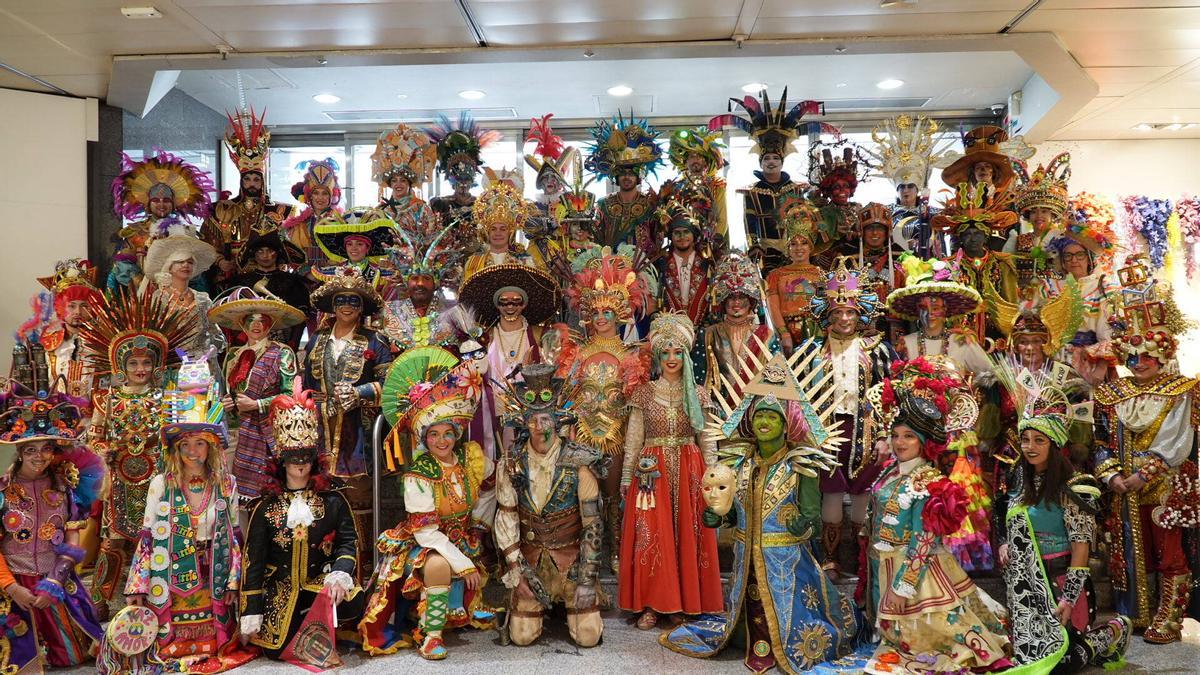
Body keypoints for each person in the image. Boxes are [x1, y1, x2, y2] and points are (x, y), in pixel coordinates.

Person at [663, 347, 861, 673]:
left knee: (789, 630)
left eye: (772, 417)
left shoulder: (800, 464)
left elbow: (812, 518)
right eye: (759, 416)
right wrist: (719, 517)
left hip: (786, 564)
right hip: (746, 564)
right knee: (745, 627)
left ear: (786, 424)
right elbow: (732, 512)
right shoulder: (739, 462)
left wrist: (801, 526)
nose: (764, 422)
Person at [860, 359, 1011, 674]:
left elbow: (923, 542)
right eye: (896, 435)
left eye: (909, 437)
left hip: (916, 577)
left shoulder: (929, 482)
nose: (900, 443)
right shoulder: (889, 473)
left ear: (924, 442)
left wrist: (903, 587)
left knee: (931, 642)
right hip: (884, 567)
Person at [993, 362, 1132, 672]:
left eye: (1039, 440)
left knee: (1062, 663)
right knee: (1029, 659)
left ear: (1055, 444)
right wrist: (1005, 543)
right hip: (1026, 588)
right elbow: (1009, 521)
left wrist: (1068, 598)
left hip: (1060, 585)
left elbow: (1081, 550)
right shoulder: (1018, 481)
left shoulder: (1075, 488)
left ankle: (1113, 630)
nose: (1030, 447)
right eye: (1025, 439)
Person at [359, 350, 495, 659]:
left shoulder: (470, 460)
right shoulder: (418, 475)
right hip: (424, 545)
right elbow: (427, 533)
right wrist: (462, 562)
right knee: (437, 565)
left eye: (447, 433)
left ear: (456, 434)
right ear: (424, 438)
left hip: (460, 539)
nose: (442, 441)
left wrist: (479, 524)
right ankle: (431, 635)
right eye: (433, 434)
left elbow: (493, 484)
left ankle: (464, 605)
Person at [1093, 261, 1198, 644]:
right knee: (1128, 551)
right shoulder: (1112, 394)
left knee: (1168, 552)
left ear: (1162, 354)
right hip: (1124, 487)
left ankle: (1170, 618)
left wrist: (1143, 475)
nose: (1139, 364)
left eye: (1147, 357)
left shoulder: (1180, 390)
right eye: (1133, 357)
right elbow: (1101, 440)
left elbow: (1176, 440)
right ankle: (1136, 613)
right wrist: (1112, 476)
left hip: (1164, 486)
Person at [80, 290, 195, 621]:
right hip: (119, 479)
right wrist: (103, 451)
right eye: (133, 363)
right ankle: (101, 598)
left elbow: (178, 438)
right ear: (121, 366)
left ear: (156, 365)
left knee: (159, 535)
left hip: (157, 476)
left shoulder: (168, 398)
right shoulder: (106, 398)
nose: (140, 368)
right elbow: (95, 436)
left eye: (146, 362)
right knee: (114, 540)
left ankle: (162, 594)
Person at [124, 377, 252, 673]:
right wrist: (138, 583)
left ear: (211, 447)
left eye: (200, 443)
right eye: (185, 444)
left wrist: (234, 581)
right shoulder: (161, 484)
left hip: (214, 572)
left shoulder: (226, 484)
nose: (193, 451)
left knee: (216, 644)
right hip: (170, 574)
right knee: (169, 644)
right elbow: (147, 539)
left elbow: (234, 536)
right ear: (175, 449)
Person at [239, 385, 362, 658]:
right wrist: (251, 610)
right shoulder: (265, 506)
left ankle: (321, 619)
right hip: (280, 590)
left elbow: (347, 542)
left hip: (320, 582)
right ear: (282, 460)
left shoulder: (333, 500)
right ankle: (304, 624)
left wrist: (339, 575)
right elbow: (253, 561)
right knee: (277, 650)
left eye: (306, 456)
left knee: (353, 599)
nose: (300, 463)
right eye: (293, 457)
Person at [619, 313, 723, 630]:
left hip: (691, 469)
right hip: (651, 473)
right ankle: (652, 605)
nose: (672, 358)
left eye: (678, 352)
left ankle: (683, 604)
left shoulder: (699, 393)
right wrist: (626, 475)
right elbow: (634, 438)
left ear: (686, 355)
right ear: (658, 356)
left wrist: (713, 478)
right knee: (652, 536)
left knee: (688, 535)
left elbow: (707, 438)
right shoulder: (644, 392)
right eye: (665, 352)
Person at [492, 363, 604, 648]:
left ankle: (568, 607)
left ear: (557, 421)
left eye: (545, 419)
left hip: (572, 562)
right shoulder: (511, 463)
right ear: (523, 422)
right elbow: (506, 518)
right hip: (530, 562)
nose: (539, 427)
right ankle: (538, 608)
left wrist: (587, 582)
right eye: (532, 420)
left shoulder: (579, 462)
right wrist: (517, 573)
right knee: (521, 637)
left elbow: (592, 526)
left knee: (588, 637)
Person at [0, 392, 105, 670]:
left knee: (74, 655)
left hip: (54, 577)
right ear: (19, 451)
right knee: (16, 660)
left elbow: (72, 536)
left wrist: (55, 582)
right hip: (10, 581)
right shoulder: (3, 490)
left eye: (46, 448)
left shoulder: (65, 487)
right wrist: (12, 588)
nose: (40, 456)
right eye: (31, 450)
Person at [807, 256, 896, 580]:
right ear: (828, 315)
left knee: (862, 494)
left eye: (850, 312)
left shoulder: (877, 350)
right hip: (828, 432)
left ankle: (861, 559)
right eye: (838, 313)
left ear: (860, 314)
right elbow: (802, 396)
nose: (844, 318)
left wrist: (886, 436)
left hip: (867, 431)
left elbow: (890, 395)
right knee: (831, 493)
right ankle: (830, 559)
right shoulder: (813, 350)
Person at [210, 288, 304, 505]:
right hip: (236, 432)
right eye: (250, 320)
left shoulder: (281, 352)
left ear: (270, 324)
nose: (256, 325)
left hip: (268, 431)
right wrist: (227, 402)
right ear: (242, 323)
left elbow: (291, 396)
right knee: (233, 494)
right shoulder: (233, 354)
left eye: (263, 320)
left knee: (270, 493)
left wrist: (258, 404)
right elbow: (228, 392)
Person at [457, 262, 559, 460]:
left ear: (524, 304)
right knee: (499, 460)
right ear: (497, 305)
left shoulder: (541, 335)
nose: (510, 307)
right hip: (494, 412)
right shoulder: (485, 338)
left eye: (516, 302)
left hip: (531, 411)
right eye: (504, 302)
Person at [303, 267, 395, 481]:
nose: (347, 306)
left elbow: (390, 385)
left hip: (358, 428)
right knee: (320, 483)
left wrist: (358, 393)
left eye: (353, 301)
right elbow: (307, 383)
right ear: (333, 306)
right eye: (341, 300)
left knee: (358, 488)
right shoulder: (317, 339)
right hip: (320, 424)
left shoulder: (375, 340)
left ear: (361, 308)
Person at [726, 88, 821, 273]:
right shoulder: (752, 191)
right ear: (761, 162)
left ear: (782, 162)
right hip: (765, 250)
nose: (771, 162)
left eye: (776, 158)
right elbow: (749, 220)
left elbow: (803, 219)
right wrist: (754, 245)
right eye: (767, 159)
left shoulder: (796, 188)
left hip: (794, 249)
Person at [200, 109, 291, 283]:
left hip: (267, 275)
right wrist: (220, 261)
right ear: (241, 181)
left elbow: (286, 245)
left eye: (256, 179)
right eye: (247, 179)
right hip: (231, 275)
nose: (252, 184)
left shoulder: (280, 211)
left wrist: (280, 262)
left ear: (263, 182)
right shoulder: (221, 209)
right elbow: (207, 242)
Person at [932, 184, 1020, 341]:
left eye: (977, 234)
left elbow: (1010, 301)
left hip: (997, 332)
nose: (972, 239)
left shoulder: (1002, 263)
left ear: (986, 236)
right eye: (967, 234)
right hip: (961, 334)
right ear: (960, 238)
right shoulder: (950, 266)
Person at [112, 148, 215, 280]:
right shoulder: (136, 232)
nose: (161, 204)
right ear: (148, 204)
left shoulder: (185, 233)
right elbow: (123, 264)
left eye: (166, 200)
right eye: (156, 200)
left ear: (173, 204)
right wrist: (139, 281)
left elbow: (195, 269)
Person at [864, 114, 955, 258]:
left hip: (927, 262)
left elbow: (942, 237)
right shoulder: (886, 212)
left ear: (918, 189)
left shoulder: (932, 213)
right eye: (902, 187)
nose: (906, 191)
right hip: (894, 260)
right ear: (897, 190)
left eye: (910, 186)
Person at [142, 221, 227, 374]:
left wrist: (208, 352)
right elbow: (150, 336)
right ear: (169, 266)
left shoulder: (202, 299)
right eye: (180, 262)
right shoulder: (158, 298)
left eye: (189, 262)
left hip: (203, 368)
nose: (185, 265)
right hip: (171, 367)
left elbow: (216, 333)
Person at [887, 253, 988, 376]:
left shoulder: (961, 342)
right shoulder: (906, 344)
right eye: (924, 308)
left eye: (935, 308)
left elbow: (990, 376)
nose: (930, 313)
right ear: (917, 311)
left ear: (945, 310)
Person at [587, 113, 663, 259]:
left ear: (638, 176)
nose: (627, 177)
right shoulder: (604, 204)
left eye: (631, 173)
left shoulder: (649, 204)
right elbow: (596, 240)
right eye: (622, 173)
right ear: (616, 176)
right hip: (611, 266)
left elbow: (657, 238)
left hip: (643, 265)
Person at [381, 216, 461, 350]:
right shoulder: (391, 311)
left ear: (436, 282)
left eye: (426, 278)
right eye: (414, 278)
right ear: (405, 281)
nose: (420, 284)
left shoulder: (453, 312)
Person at [939, 125, 1021, 252]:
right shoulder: (963, 199)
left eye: (987, 166)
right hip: (970, 254)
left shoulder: (1006, 198)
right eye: (978, 167)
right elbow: (956, 231)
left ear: (994, 171)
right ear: (973, 173)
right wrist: (956, 251)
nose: (983, 170)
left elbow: (1014, 229)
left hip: (1001, 252)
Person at [704, 253, 775, 397]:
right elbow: (702, 377)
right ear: (723, 302)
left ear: (751, 301)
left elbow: (775, 377)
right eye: (731, 297)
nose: (736, 302)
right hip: (720, 405)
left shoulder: (766, 334)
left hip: (757, 405)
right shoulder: (710, 333)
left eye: (742, 297)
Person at [36, 258, 104, 399]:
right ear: (61, 308)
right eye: (71, 306)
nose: (78, 312)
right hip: (56, 409)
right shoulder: (47, 344)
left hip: (94, 411)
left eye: (84, 306)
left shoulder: (103, 344)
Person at [228, 232, 310, 348]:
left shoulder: (292, 281)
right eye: (260, 251)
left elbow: (300, 316)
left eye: (270, 251)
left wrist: (292, 343)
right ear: (254, 254)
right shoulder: (241, 281)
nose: (265, 256)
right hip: (248, 339)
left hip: (282, 341)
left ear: (277, 253)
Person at [765, 197, 827, 351]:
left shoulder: (822, 274)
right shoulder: (776, 275)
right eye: (793, 244)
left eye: (804, 243)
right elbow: (773, 307)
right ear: (788, 248)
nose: (799, 248)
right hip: (788, 332)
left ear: (811, 246)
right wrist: (784, 333)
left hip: (817, 332)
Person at [654, 194, 713, 348]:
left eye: (686, 232)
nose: (682, 237)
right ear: (671, 236)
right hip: (670, 336)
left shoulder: (707, 264)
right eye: (677, 233)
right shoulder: (661, 265)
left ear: (694, 235)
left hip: (703, 336)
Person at [659, 126, 728, 253]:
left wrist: (714, 242)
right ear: (685, 163)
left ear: (706, 161)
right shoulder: (676, 187)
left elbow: (722, 219)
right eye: (691, 157)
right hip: (681, 244)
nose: (695, 160)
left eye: (699, 156)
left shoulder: (716, 185)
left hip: (708, 244)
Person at [809, 139, 871, 260]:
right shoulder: (822, 213)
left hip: (859, 260)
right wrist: (833, 232)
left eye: (846, 186)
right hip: (829, 261)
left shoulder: (859, 209)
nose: (842, 191)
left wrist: (858, 234)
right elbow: (815, 242)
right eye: (836, 187)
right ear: (829, 190)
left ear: (851, 189)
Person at [461, 182, 537, 281]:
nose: (498, 233)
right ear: (487, 232)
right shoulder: (474, 262)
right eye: (493, 229)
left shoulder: (524, 261)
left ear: (510, 232)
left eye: (503, 229)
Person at [311, 210, 396, 294]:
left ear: (368, 248)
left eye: (359, 244)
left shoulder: (381, 274)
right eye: (349, 244)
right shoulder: (334, 272)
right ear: (345, 248)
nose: (354, 248)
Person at [283, 157, 343, 274]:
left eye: (325, 193)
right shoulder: (299, 225)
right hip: (304, 277)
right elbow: (295, 256)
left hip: (333, 276)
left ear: (331, 196)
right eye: (316, 193)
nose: (320, 198)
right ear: (310, 195)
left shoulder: (341, 223)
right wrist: (308, 273)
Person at [371, 123, 436, 230]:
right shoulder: (381, 210)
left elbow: (431, 233)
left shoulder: (421, 208)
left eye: (403, 180)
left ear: (409, 183)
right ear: (390, 184)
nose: (398, 184)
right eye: (394, 180)